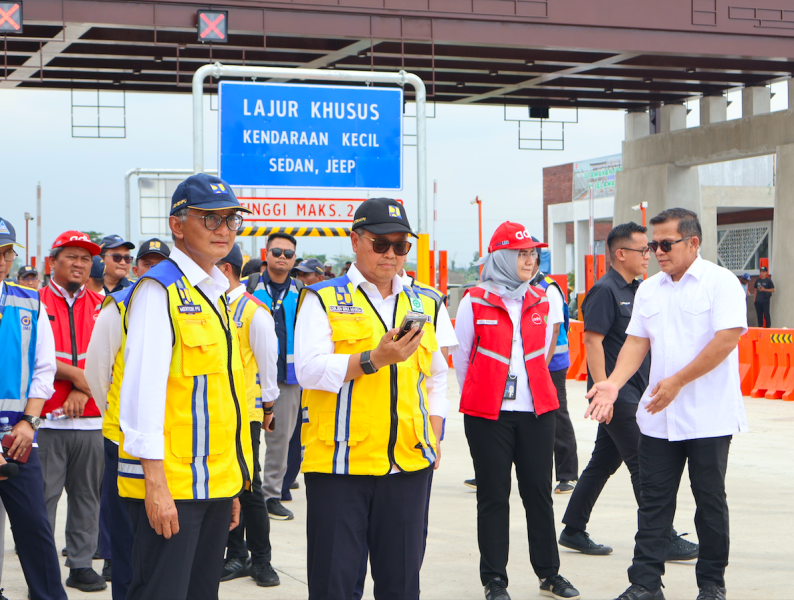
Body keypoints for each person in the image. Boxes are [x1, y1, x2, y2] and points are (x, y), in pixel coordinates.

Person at [586, 208, 747, 600]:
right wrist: (611, 383)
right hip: (659, 417)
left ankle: (711, 585)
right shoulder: (650, 289)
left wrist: (677, 381)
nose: (656, 251)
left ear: (693, 242)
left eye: (664, 243)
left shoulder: (720, 283)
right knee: (653, 501)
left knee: (709, 503)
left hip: (709, 417)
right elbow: (637, 343)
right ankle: (644, 584)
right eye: (652, 244)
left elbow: (726, 341)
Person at [295, 197, 447, 600]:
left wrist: (434, 434)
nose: (392, 255)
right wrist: (373, 359)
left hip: (408, 464)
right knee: (335, 584)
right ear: (355, 241)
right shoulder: (321, 297)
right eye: (382, 244)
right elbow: (307, 369)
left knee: (401, 583)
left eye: (401, 246)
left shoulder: (426, 301)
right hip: (340, 465)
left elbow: (438, 377)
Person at [117, 173, 254, 600]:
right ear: (177, 224)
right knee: (162, 592)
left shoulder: (217, 294)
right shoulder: (159, 290)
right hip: (173, 488)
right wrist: (154, 484)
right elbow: (142, 393)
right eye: (210, 219)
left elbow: (222, 397)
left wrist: (230, 486)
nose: (224, 230)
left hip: (214, 484)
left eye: (231, 220)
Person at [452, 221, 579, 600]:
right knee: (493, 494)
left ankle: (549, 573)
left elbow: (541, 355)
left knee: (538, 492)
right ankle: (494, 579)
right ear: (502, 257)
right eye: (521, 253)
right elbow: (462, 360)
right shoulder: (474, 300)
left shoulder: (542, 298)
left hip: (537, 412)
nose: (529, 259)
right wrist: (482, 397)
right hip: (488, 415)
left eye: (532, 253)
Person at [560, 223, 698, 562]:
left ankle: (573, 528)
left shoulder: (640, 290)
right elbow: (592, 341)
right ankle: (661, 537)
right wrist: (602, 392)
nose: (649, 256)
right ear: (621, 253)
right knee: (646, 465)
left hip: (638, 391)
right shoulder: (605, 291)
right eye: (643, 250)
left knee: (602, 463)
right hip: (618, 396)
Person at [85, 238, 171, 600]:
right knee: (125, 539)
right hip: (122, 442)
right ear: (136, 269)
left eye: (159, 264)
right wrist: (119, 418)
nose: (150, 270)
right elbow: (96, 372)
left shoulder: (183, 305)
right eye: (144, 263)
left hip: (171, 443)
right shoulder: (118, 306)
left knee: (164, 542)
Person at [0, 217, 68, 600]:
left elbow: (43, 368)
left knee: (34, 529)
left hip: (18, 436)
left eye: (7, 252)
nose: (2, 259)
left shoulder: (29, 300)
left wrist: (29, 421)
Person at [37, 230, 107, 593]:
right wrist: (80, 378)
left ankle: (80, 564)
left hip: (92, 419)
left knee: (87, 497)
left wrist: (85, 387)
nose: (80, 264)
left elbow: (112, 357)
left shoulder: (102, 303)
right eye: (72, 257)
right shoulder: (34, 301)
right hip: (47, 419)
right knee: (42, 501)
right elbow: (38, 358)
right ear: (53, 262)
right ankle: (43, 568)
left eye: (86, 258)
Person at [216, 243, 281, 588]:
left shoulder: (253, 310)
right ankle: (235, 554)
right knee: (224, 486)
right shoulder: (212, 305)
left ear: (225, 268)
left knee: (249, 486)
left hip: (245, 415)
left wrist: (268, 408)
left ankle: (262, 560)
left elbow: (268, 366)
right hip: (214, 413)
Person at [247, 232, 302, 521]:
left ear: (294, 260)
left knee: (281, 439)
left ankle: (270, 495)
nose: (282, 257)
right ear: (265, 254)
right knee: (246, 438)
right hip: (250, 378)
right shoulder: (250, 288)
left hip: (288, 379)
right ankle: (243, 493)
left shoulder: (303, 292)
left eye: (288, 254)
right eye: (277, 252)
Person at [528, 236, 578, 495]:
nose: (524, 260)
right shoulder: (519, 286)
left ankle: (567, 474)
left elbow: (555, 326)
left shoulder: (548, 288)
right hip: (530, 364)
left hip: (552, 363)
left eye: (528, 255)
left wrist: (541, 369)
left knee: (557, 414)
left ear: (536, 258)